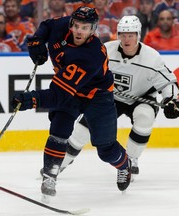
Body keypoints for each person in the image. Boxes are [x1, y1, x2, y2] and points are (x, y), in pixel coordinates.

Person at [11, 6, 132, 202]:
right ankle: (50, 176)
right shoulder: (62, 26)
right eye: (76, 26)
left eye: (85, 28)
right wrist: (37, 40)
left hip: (97, 97)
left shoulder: (91, 55)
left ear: (93, 30)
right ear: (71, 23)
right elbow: (47, 25)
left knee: (106, 149)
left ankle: (124, 165)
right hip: (71, 93)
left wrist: (31, 99)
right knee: (59, 128)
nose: (79, 31)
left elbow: (58, 95)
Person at [59, 15, 179, 180]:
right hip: (110, 97)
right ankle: (60, 162)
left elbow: (168, 84)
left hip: (142, 97)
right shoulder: (106, 50)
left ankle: (129, 161)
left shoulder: (151, 58)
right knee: (82, 130)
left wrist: (172, 100)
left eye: (131, 35)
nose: (126, 39)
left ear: (138, 35)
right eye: (123, 34)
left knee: (144, 116)